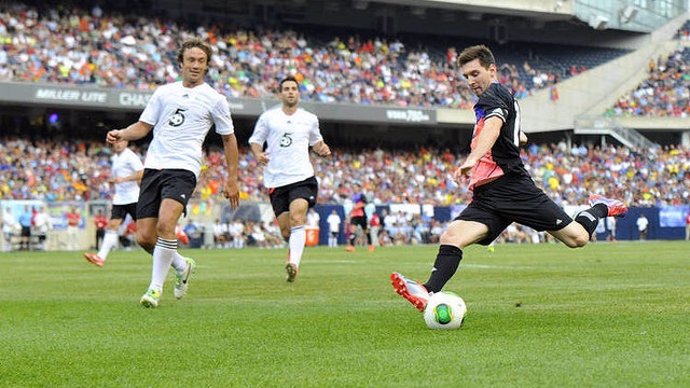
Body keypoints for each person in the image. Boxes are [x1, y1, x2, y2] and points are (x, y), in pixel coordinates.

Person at [390, 45, 628, 312]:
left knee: (578, 238)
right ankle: (427, 291)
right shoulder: (497, 97)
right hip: (487, 196)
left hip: (513, 188)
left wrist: (473, 158)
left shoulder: (494, 93)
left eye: (475, 73)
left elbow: (493, 125)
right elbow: (508, 130)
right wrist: (514, 135)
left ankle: (600, 206)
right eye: (466, 76)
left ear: (492, 70)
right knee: (452, 235)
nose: (470, 81)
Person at [106, 38, 240, 308]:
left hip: (184, 168)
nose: (196, 65)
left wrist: (232, 178)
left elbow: (229, 139)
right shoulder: (163, 92)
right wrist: (122, 133)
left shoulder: (215, 99)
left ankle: (155, 289)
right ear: (181, 63)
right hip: (154, 167)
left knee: (166, 226)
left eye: (201, 61)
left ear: (206, 66)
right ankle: (181, 264)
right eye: (191, 60)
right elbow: (143, 127)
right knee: (144, 236)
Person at [249, 75, 331, 282]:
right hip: (276, 179)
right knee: (286, 231)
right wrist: (258, 154)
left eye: (294, 88)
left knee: (297, 218)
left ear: (298, 93)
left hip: (302, 177)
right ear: (280, 93)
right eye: (286, 89)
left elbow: (317, 142)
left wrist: (322, 148)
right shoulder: (268, 117)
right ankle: (292, 253)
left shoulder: (309, 118)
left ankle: (294, 263)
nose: (290, 91)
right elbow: (255, 140)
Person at [84, 139, 144, 267]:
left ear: (126, 142)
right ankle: (100, 257)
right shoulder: (115, 157)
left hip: (134, 199)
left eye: (120, 141)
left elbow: (142, 173)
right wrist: (114, 181)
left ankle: (169, 255)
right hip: (120, 199)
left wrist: (124, 179)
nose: (117, 144)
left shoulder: (130, 156)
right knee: (111, 226)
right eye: (115, 142)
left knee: (146, 233)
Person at [346, 184, 374, 252]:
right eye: (353, 187)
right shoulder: (353, 196)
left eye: (355, 187)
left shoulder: (361, 195)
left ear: (358, 188)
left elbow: (365, 203)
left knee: (366, 231)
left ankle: (370, 245)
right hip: (354, 215)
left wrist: (357, 206)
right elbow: (353, 206)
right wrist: (349, 214)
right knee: (352, 230)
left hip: (362, 215)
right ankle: (352, 247)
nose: (354, 189)